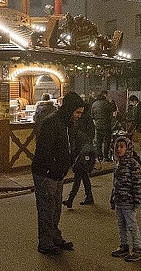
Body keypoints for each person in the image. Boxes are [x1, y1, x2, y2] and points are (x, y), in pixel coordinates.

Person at [31, 91, 85, 256]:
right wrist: (50, 168)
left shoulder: (68, 124)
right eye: (77, 112)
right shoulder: (52, 123)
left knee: (55, 209)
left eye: (81, 113)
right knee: (46, 209)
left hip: (58, 173)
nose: (79, 116)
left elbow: (68, 146)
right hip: (46, 173)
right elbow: (44, 150)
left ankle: (54, 237)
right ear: (69, 109)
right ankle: (45, 242)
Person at [110, 135, 141, 262]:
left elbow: (138, 183)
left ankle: (137, 249)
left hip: (128, 201)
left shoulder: (132, 164)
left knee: (131, 225)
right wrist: (113, 198)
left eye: (122, 147)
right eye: (117, 147)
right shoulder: (118, 164)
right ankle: (124, 245)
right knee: (121, 224)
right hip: (119, 200)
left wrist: (137, 200)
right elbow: (115, 183)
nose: (119, 149)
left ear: (128, 148)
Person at [62, 105, 96, 208]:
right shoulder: (86, 120)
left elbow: (75, 137)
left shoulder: (78, 121)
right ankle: (89, 197)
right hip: (85, 150)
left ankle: (70, 200)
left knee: (78, 176)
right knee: (84, 176)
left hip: (82, 152)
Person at [92, 91, 115, 162]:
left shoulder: (94, 104)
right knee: (106, 141)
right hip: (106, 125)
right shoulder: (107, 103)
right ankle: (105, 156)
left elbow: (92, 114)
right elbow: (113, 109)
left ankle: (99, 156)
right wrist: (112, 102)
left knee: (98, 142)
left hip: (97, 125)